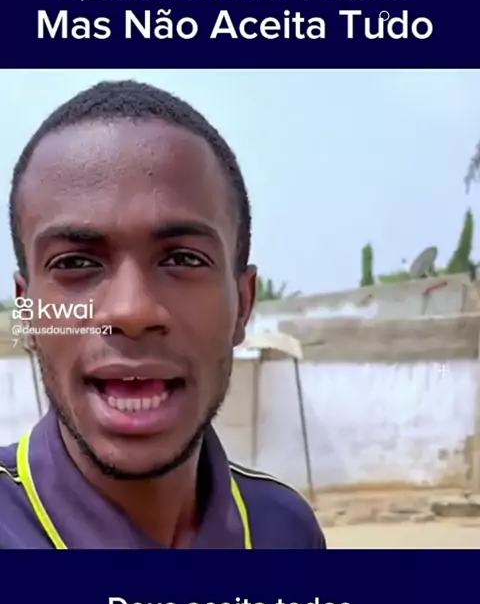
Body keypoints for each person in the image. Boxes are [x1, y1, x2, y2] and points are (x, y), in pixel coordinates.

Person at [0, 79, 326, 550]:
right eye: (74, 263)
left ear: (243, 304)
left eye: (183, 259)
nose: (132, 311)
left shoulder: (284, 531)